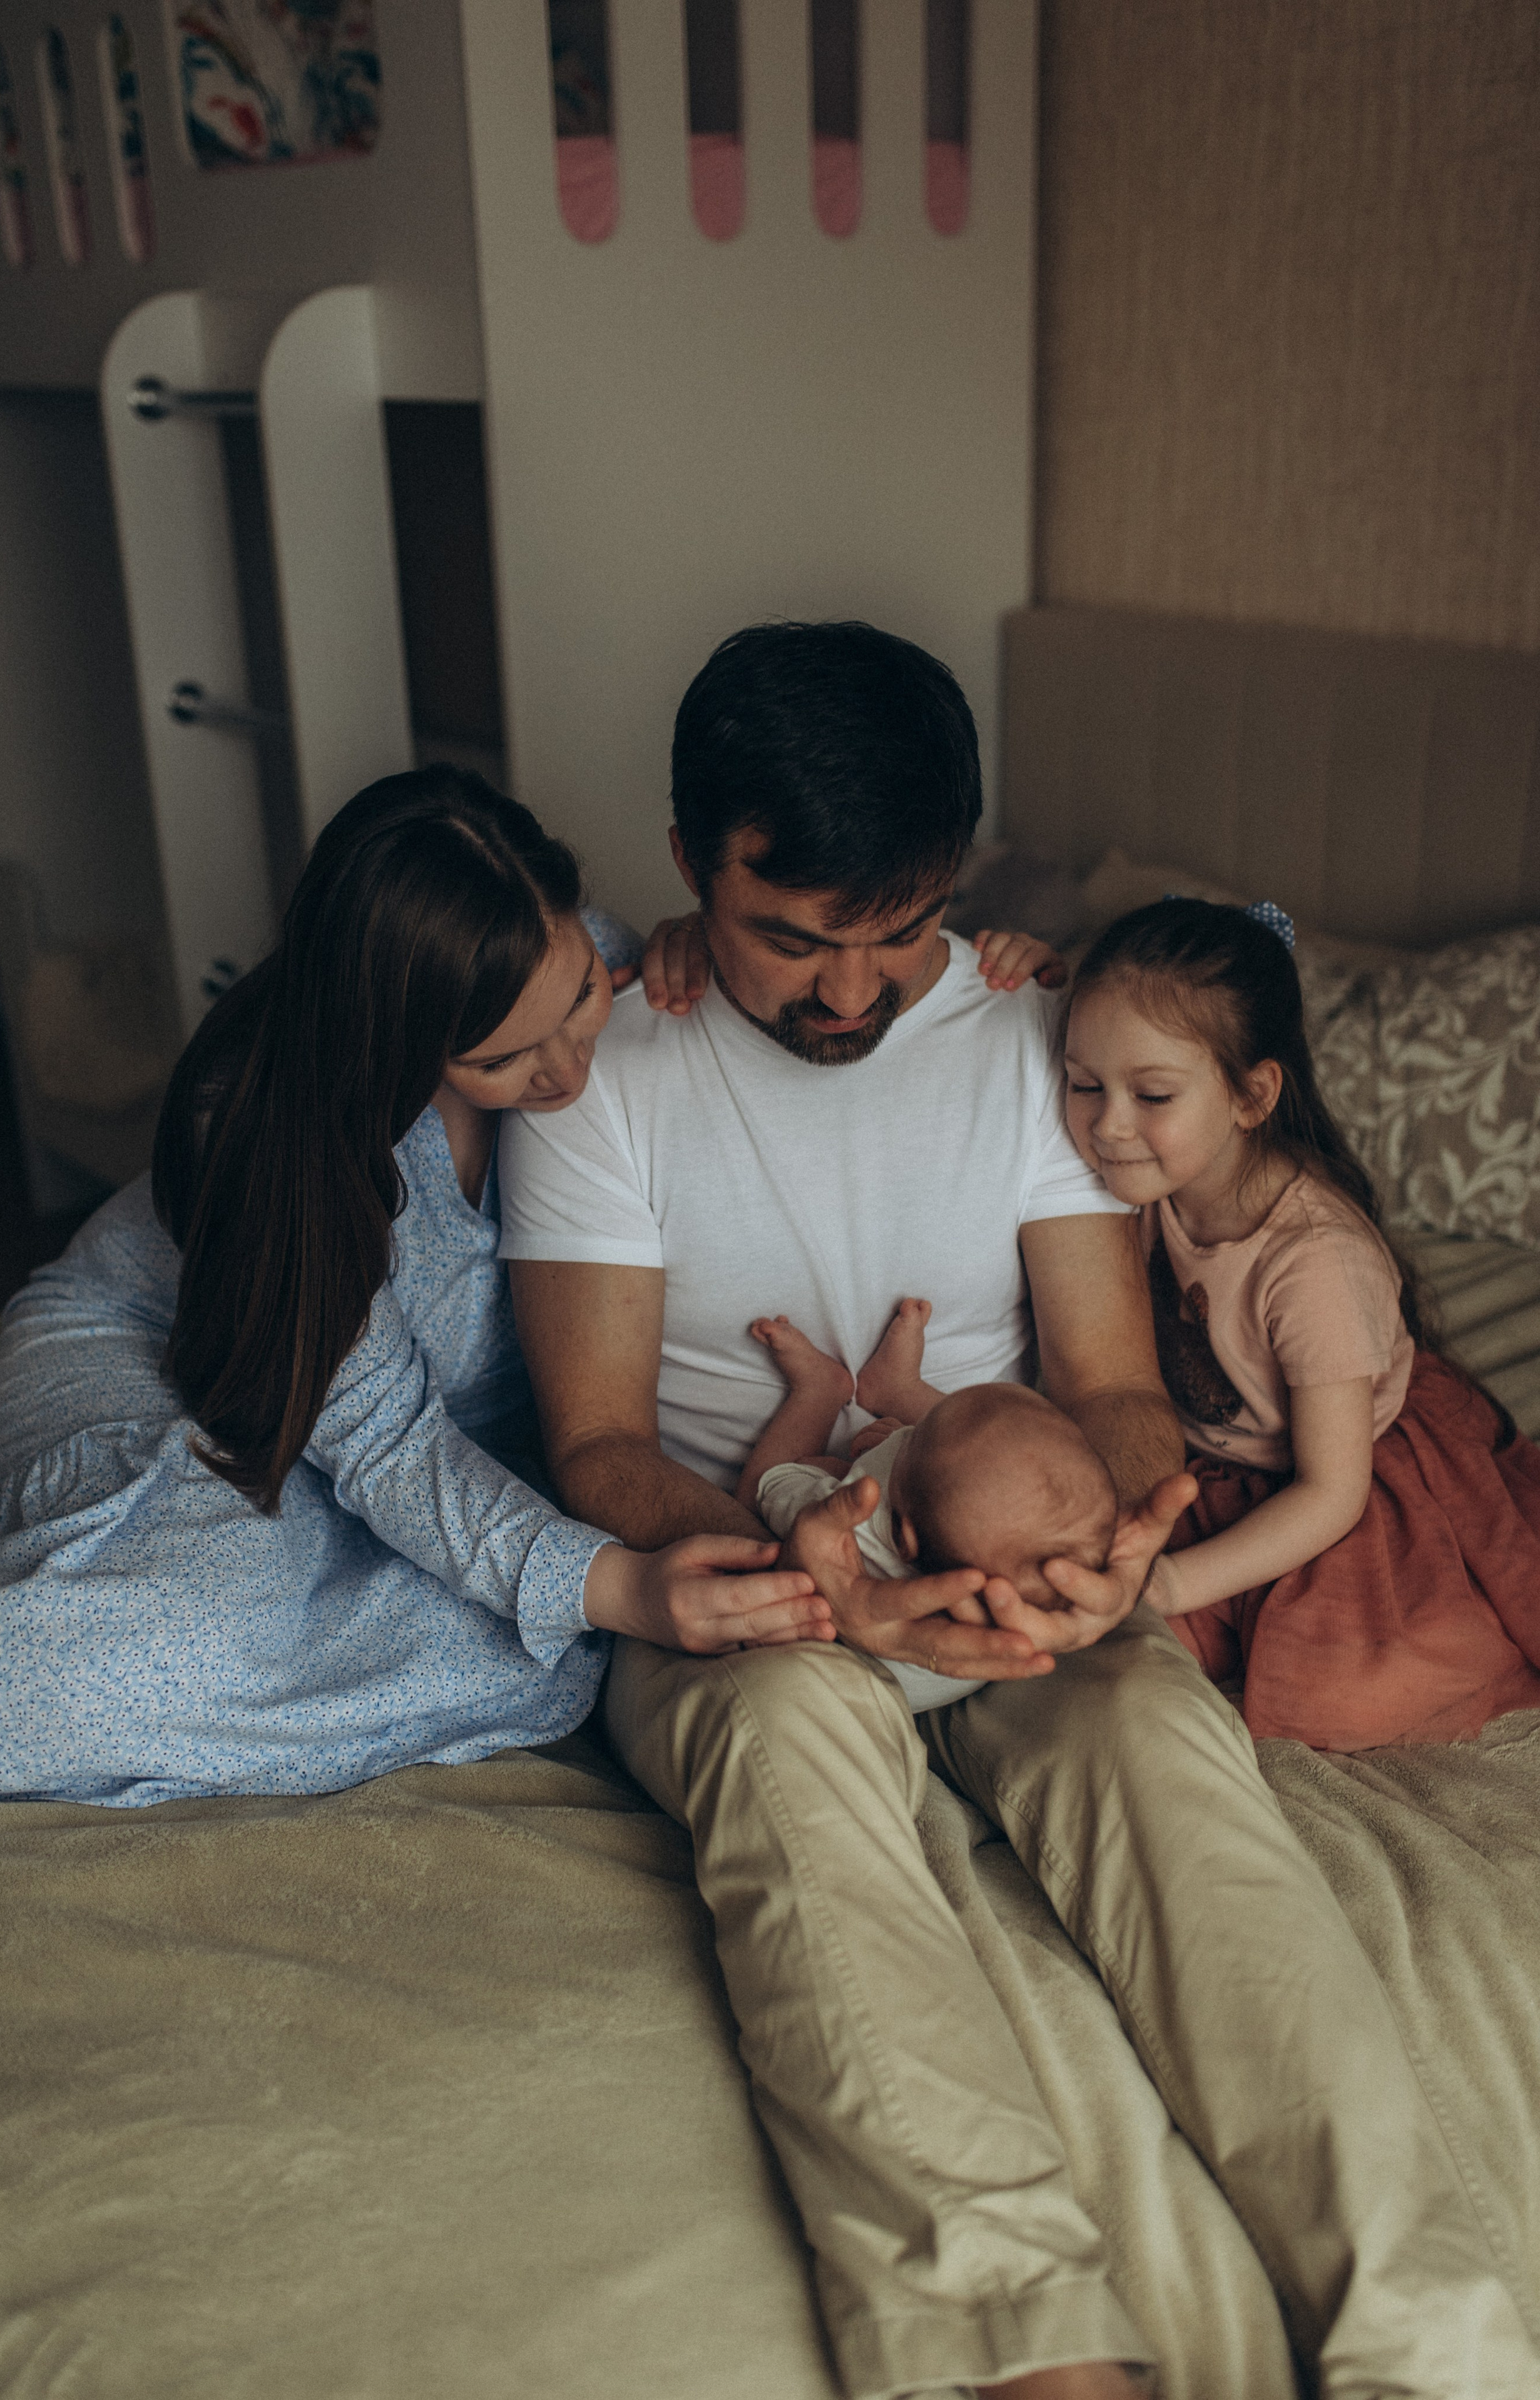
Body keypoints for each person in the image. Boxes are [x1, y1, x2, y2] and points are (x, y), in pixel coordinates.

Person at [499, 620, 1536, 2400]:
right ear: (692, 870)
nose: (852, 991)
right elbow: (593, 1446)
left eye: (899, 929)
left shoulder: (1034, 1034)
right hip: (745, 1561)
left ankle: (1432, 2349)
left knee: (1172, 1781)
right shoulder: (618, 1070)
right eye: (792, 941)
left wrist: (1121, 1543)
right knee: (797, 1776)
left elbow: (1118, 1379)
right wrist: (812, 1572)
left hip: (1016, 1550)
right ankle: (1025, 2348)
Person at [0, 769, 830, 1805]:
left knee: (514, 1603)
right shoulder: (271, 1134)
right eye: (502, 1060)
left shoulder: (614, 955)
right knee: (226, 1611)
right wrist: (618, 1588)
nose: (566, 1074)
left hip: (413, 1430)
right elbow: (384, 1446)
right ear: (399, 1042)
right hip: (163, 1356)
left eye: (580, 996)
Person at [1063, 894, 1540, 1749]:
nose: (1108, 1125)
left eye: (1153, 1092)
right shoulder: (1141, 1184)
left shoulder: (1315, 1261)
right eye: (1085, 1084)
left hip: (1344, 1477)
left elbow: (1331, 1491)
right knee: (1096, 1640)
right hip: (1212, 1465)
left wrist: (1171, 1581)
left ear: (1252, 1095)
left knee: (1342, 1696)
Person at [740, 1301, 1118, 1716]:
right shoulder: (1035, 1596)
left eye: (908, 1440)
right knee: (985, 1447)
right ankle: (898, 1388)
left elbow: (775, 1493)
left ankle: (818, 1390)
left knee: (763, 1485)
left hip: (860, 1677)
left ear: (904, 1537)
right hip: (949, 1679)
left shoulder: (858, 1538)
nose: (903, 1435)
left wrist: (822, 1475)